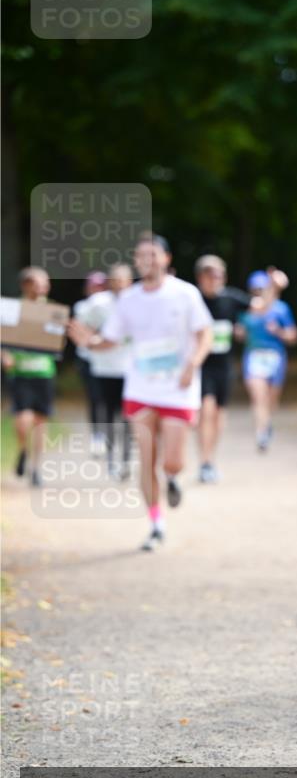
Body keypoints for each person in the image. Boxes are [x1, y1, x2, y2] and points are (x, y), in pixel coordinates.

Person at [69, 235, 212, 550]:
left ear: (166, 258)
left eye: (152, 254)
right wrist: (89, 342)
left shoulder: (185, 294)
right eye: (140, 255)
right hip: (141, 389)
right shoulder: (129, 299)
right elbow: (112, 339)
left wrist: (193, 364)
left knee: (171, 462)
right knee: (145, 459)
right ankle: (156, 523)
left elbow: (205, 334)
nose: (146, 260)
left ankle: (173, 479)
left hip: (178, 389)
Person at [194, 255, 250, 482]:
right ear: (201, 278)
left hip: (224, 368)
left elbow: (260, 307)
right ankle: (204, 461)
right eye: (210, 274)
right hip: (201, 367)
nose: (215, 279)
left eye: (219, 275)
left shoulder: (231, 298)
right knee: (205, 411)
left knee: (218, 416)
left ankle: (210, 460)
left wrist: (274, 288)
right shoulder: (192, 300)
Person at [75, 264, 134, 477]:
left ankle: (126, 459)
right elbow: (79, 328)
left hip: (131, 369)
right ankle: (111, 459)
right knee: (108, 415)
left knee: (128, 417)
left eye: (123, 279)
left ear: (130, 281)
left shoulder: (138, 301)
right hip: (104, 368)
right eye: (115, 279)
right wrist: (93, 341)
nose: (119, 283)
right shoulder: (97, 303)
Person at [1, 267, 57, 487]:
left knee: (41, 421)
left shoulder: (52, 310)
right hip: (20, 373)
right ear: (26, 285)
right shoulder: (12, 309)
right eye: (38, 283)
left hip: (44, 373)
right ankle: (23, 449)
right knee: (23, 420)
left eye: (46, 282)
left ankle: (36, 467)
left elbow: (56, 341)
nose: (43, 287)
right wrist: (4, 356)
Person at [235, 270, 297, 451]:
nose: (257, 292)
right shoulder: (247, 309)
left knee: (271, 400)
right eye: (254, 289)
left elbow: (293, 336)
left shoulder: (280, 308)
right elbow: (239, 331)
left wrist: (278, 331)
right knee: (258, 397)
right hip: (253, 356)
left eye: (260, 288)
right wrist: (239, 333)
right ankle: (261, 433)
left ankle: (267, 423)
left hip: (275, 357)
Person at [73, 271, 108, 455]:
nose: (97, 289)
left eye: (100, 286)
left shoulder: (113, 304)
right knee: (95, 399)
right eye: (94, 285)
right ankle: (97, 436)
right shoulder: (82, 306)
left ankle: (110, 434)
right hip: (88, 359)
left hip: (109, 360)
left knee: (109, 400)